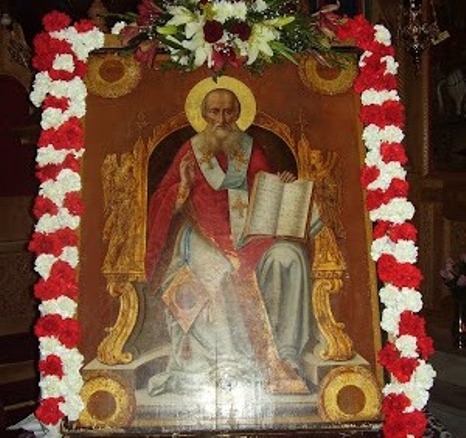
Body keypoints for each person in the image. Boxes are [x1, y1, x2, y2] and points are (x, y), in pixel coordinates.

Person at [145, 86, 321, 397]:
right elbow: (161, 199)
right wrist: (182, 188)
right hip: (202, 233)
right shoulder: (191, 150)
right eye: (215, 112)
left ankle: (286, 355)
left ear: (238, 113)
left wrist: (281, 187)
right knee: (220, 268)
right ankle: (229, 361)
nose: (222, 119)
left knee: (289, 256)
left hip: (251, 236)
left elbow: (265, 194)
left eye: (228, 112)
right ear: (203, 114)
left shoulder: (251, 150)